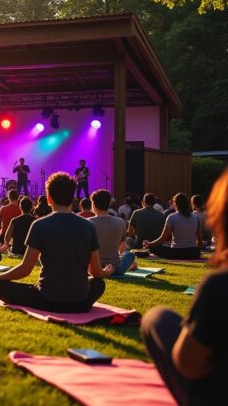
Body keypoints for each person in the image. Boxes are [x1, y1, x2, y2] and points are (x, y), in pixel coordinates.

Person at [141, 169, 228, 406]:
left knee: (157, 318)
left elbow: (188, 364)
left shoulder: (219, 285)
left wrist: (150, 245)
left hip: (216, 396)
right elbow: (200, 241)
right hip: (193, 252)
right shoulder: (197, 218)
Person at [0, 172, 114, 313]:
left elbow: (25, 269)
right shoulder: (88, 226)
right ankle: (75, 304)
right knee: (98, 283)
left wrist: (0, 277)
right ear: (73, 199)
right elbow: (95, 271)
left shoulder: (40, 225)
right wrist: (105, 272)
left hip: (46, 298)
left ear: (49, 199)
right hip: (80, 301)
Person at [88, 190, 137, 276]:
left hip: (93, 267)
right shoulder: (121, 222)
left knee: (129, 254)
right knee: (130, 255)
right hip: (116, 268)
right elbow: (122, 247)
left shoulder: (87, 223)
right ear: (109, 203)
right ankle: (130, 266)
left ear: (93, 204)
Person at [144, 193, 203, 260]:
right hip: (193, 253)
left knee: (153, 247)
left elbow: (162, 239)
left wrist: (150, 243)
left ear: (175, 204)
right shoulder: (196, 217)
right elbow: (200, 242)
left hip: (176, 253)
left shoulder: (172, 217)